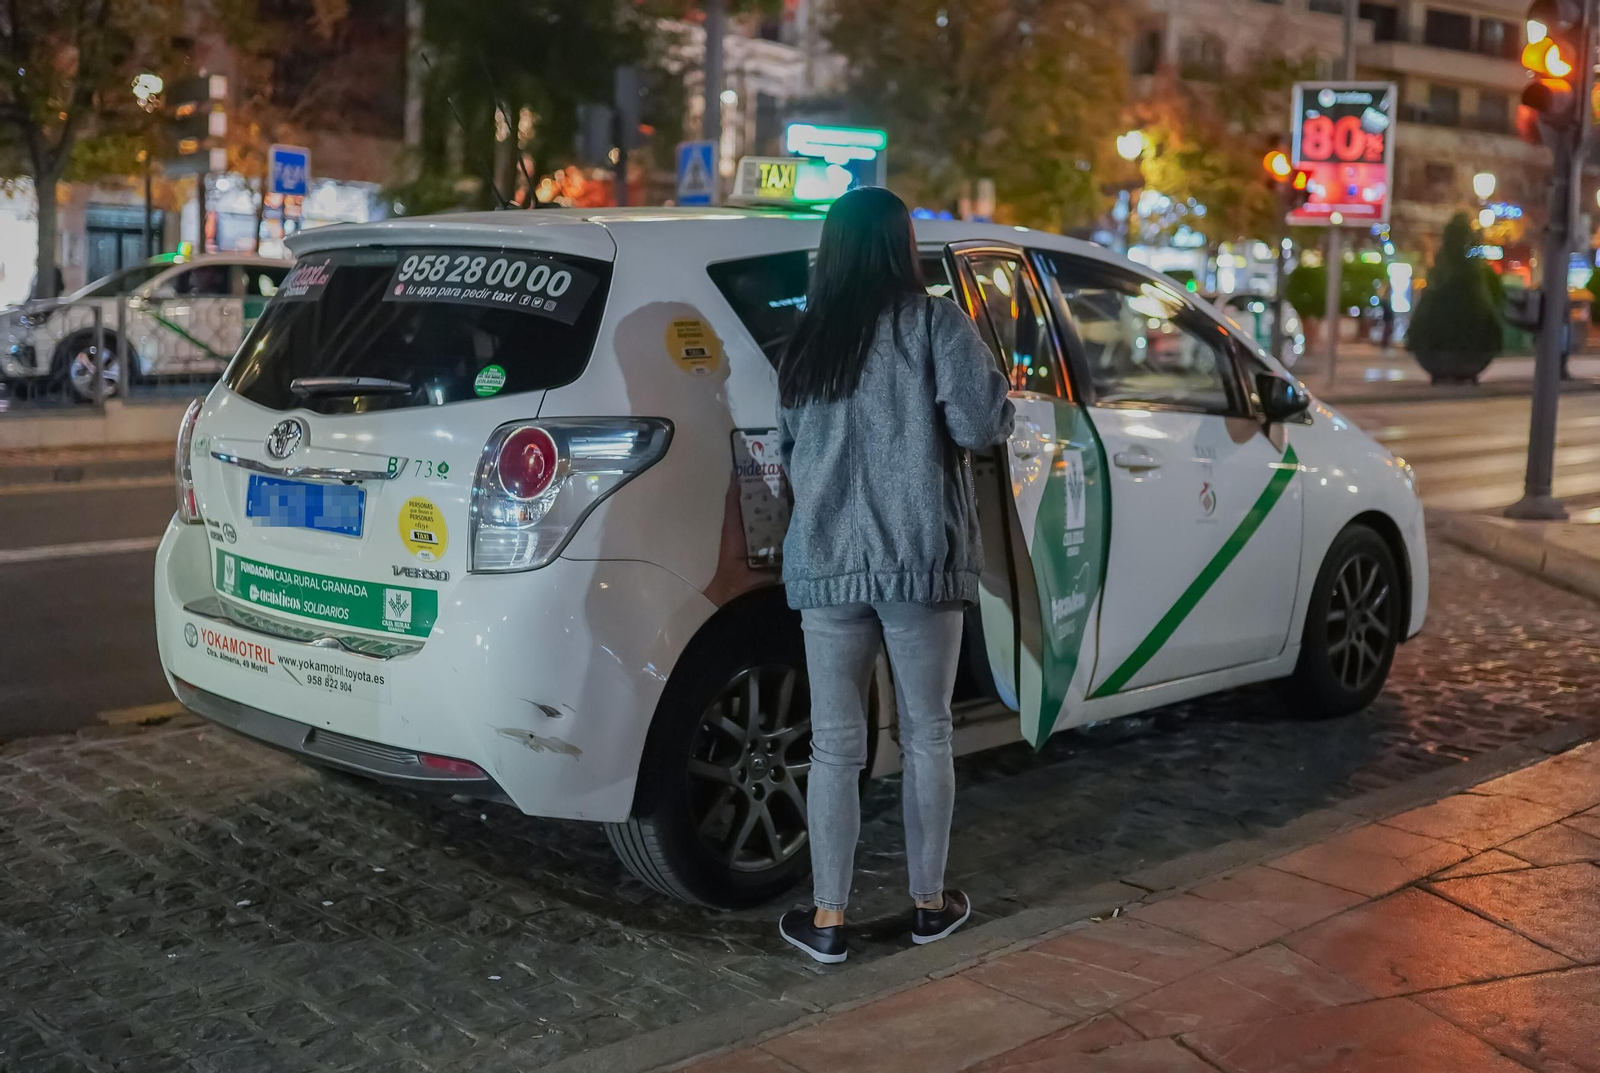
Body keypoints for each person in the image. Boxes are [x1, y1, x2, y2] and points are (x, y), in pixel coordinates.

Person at [774, 187, 1015, 964]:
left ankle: (828, 919)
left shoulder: (804, 341)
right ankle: (927, 903)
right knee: (927, 733)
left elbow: (782, 453)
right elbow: (980, 426)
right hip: (919, 560)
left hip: (828, 562)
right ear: (900, 245)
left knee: (836, 747)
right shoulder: (935, 323)